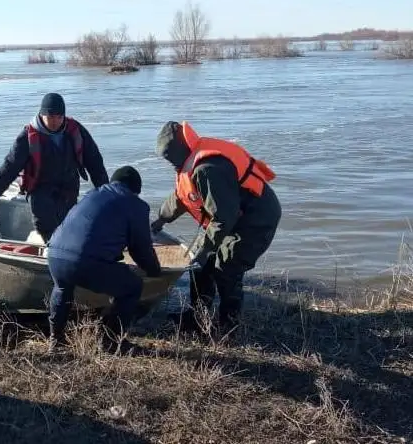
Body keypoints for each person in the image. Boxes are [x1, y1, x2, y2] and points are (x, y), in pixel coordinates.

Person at [151, 120, 281, 332]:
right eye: (166, 159)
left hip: (255, 220)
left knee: (226, 268)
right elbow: (182, 196)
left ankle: (228, 326)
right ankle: (197, 318)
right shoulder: (189, 162)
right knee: (199, 267)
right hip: (231, 217)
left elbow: (223, 218)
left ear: (180, 150)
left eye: (170, 157)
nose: (170, 163)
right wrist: (161, 220)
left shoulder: (208, 169)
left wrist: (205, 249)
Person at [45, 166, 161, 353]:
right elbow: (141, 249)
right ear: (135, 190)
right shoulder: (136, 205)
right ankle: (111, 342)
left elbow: (90, 231)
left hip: (55, 254)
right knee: (132, 287)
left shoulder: (92, 195)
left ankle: (56, 341)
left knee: (62, 289)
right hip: (86, 261)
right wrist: (154, 271)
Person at [0, 92, 109, 243]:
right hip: (40, 191)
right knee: (47, 228)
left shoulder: (75, 131)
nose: (55, 121)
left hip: (68, 189)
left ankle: (67, 254)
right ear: (41, 114)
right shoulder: (28, 137)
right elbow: (10, 167)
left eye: (59, 117)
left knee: (69, 227)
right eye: (50, 117)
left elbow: (95, 162)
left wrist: (106, 192)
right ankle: (52, 254)